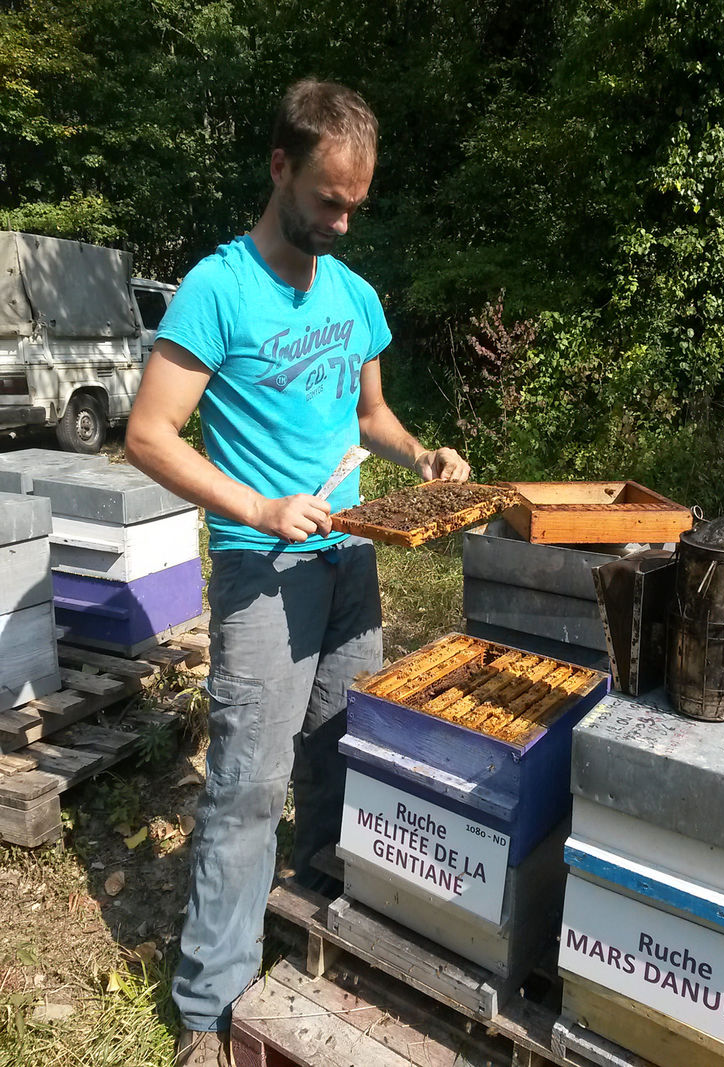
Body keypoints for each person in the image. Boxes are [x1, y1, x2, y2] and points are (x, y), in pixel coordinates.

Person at [125, 78, 470, 1067]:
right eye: (326, 199)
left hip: (349, 553)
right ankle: (208, 1003)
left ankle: (314, 912)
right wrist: (258, 505)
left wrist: (419, 457)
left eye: (354, 205)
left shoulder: (354, 293)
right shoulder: (216, 288)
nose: (340, 220)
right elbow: (149, 434)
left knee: (339, 747)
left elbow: (368, 417)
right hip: (262, 566)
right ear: (280, 167)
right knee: (246, 780)